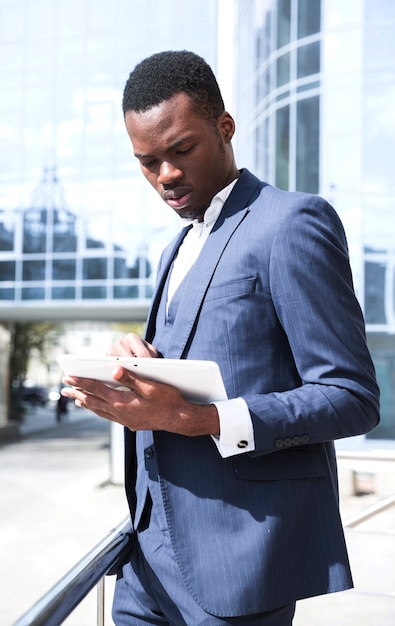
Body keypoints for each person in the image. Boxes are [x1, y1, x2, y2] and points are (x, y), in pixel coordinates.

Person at [62, 51, 380, 625]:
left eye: (182, 150)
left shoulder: (291, 224)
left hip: (239, 563)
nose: (167, 176)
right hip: (146, 561)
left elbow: (351, 397)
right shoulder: (174, 249)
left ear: (225, 128)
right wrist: (139, 366)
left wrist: (197, 419)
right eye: (148, 161)